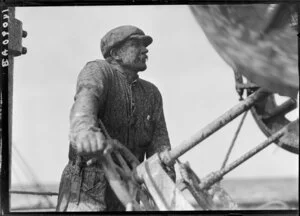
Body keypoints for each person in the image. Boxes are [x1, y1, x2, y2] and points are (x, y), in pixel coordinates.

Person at [56, 25, 175, 211]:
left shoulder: (152, 94)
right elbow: (85, 101)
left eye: (145, 45)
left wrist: (166, 182)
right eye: (136, 44)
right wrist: (85, 131)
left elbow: (160, 148)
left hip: (129, 189)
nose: (145, 49)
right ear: (116, 53)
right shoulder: (98, 71)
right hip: (87, 188)